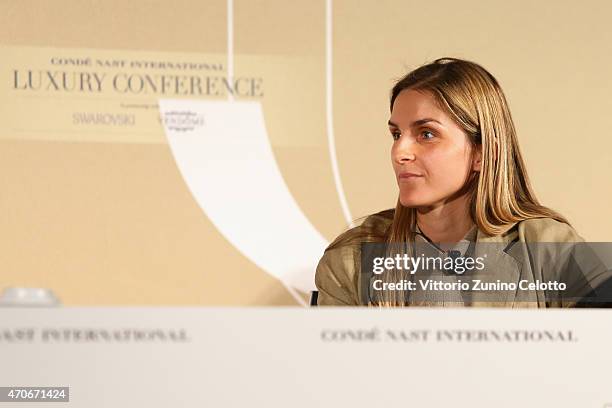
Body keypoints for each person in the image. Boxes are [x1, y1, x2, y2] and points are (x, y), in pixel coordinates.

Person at [315, 57, 612, 307]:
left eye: (426, 134)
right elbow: (334, 373)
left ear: (482, 153)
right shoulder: (352, 259)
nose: (399, 152)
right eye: (396, 135)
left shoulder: (548, 247)